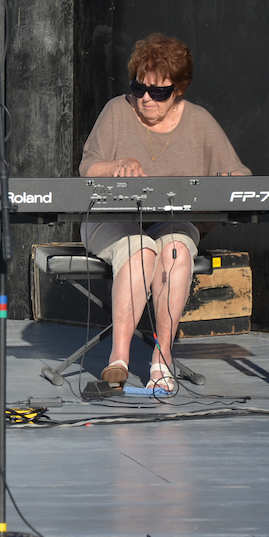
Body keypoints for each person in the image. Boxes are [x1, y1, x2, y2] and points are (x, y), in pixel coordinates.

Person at [79, 33, 250, 392]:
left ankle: (163, 357)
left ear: (179, 90)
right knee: (142, 250)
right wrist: (116, 166)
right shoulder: (116, 111)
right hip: (113, 219)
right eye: (139, 88)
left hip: (171, 221)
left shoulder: (200, 122)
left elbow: (240, 175)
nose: (145, 99)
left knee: (175, 251)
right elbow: (87, 168)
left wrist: (223, 181)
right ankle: (119, 358)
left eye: (158, 93)